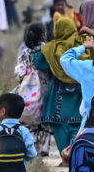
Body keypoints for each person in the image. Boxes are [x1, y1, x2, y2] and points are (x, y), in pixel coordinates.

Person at [33, 18, 86, 157]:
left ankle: (65, 157)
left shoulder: (52, 47)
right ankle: (75, 155)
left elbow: (38, 62)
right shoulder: (82, 44)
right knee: (78, 125)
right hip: (80, 94)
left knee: (59, 126)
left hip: (58, 95)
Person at [15, 23, 51, 156]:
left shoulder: (24, 52)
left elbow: (19, 73)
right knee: (44, 120)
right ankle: (44, 148)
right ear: (43, 35)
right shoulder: (46, 49)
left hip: (26, 91)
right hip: (44, 89)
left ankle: (31, 146)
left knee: (30, 122)